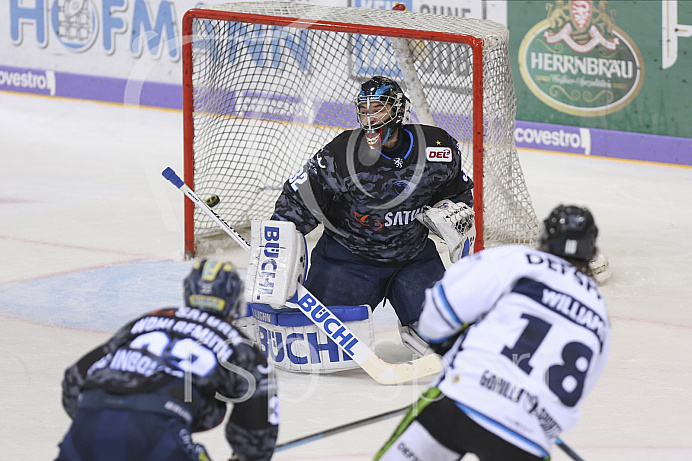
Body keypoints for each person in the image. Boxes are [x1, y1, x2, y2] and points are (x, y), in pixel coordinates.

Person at [375, 204, 611, 460]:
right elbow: (578, 393)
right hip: (529, 438)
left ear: (544, 238)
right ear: (591, 253)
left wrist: (450, 349)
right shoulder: (599, 314)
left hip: (464, 402)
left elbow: (436, 314)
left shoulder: (517, 260)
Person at [269, 75, 475, 355]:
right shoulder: (342, 153)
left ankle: (417, 321)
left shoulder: (438, 147)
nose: (369, 118)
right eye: (364, 110)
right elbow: (300, 197)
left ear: (399, 110)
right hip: (348, 259)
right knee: (316, 344)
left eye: (378, 108)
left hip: (413, 258)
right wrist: (279, 245)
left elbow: (457, 192)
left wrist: (453, 213)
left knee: (448, 341)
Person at [56, 260, 279, 461]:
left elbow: (74, 378)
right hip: (156, 432)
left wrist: (105, 420)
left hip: (88, 425)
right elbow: (257, 436)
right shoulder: (239, 344)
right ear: (233, 301)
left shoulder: (149, 320)